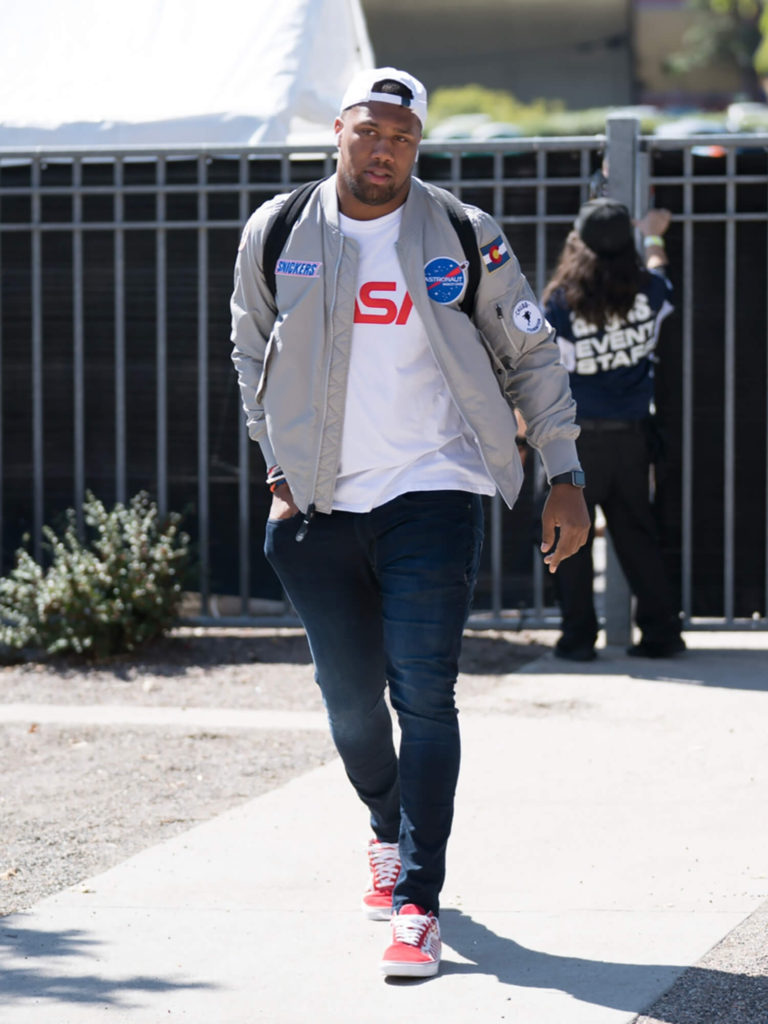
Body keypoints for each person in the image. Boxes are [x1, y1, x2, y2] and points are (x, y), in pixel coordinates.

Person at [230, 66, 589, 979]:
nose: (384, 149)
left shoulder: (464, 234)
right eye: (370, 130)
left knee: (424, 695)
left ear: (417, 147)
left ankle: (418, 903)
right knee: (351, 706)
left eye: (403, 136)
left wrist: (565, 473)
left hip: (436, 490)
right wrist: (275, 466)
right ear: (340, 131)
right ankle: (384, 827)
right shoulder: (277, 231)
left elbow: (532, 355)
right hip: (315, 505)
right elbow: (249, 349)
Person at [541, 197, 686, 661]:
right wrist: (656, 234)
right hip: (631, 435)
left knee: (568, 536)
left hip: (576, 440)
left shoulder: (562, 299)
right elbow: (663, 275)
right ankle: (662, 634)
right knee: (638, 537)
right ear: (630, 242)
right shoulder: (651, 290)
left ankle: (578, 638)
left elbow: (546, 368)